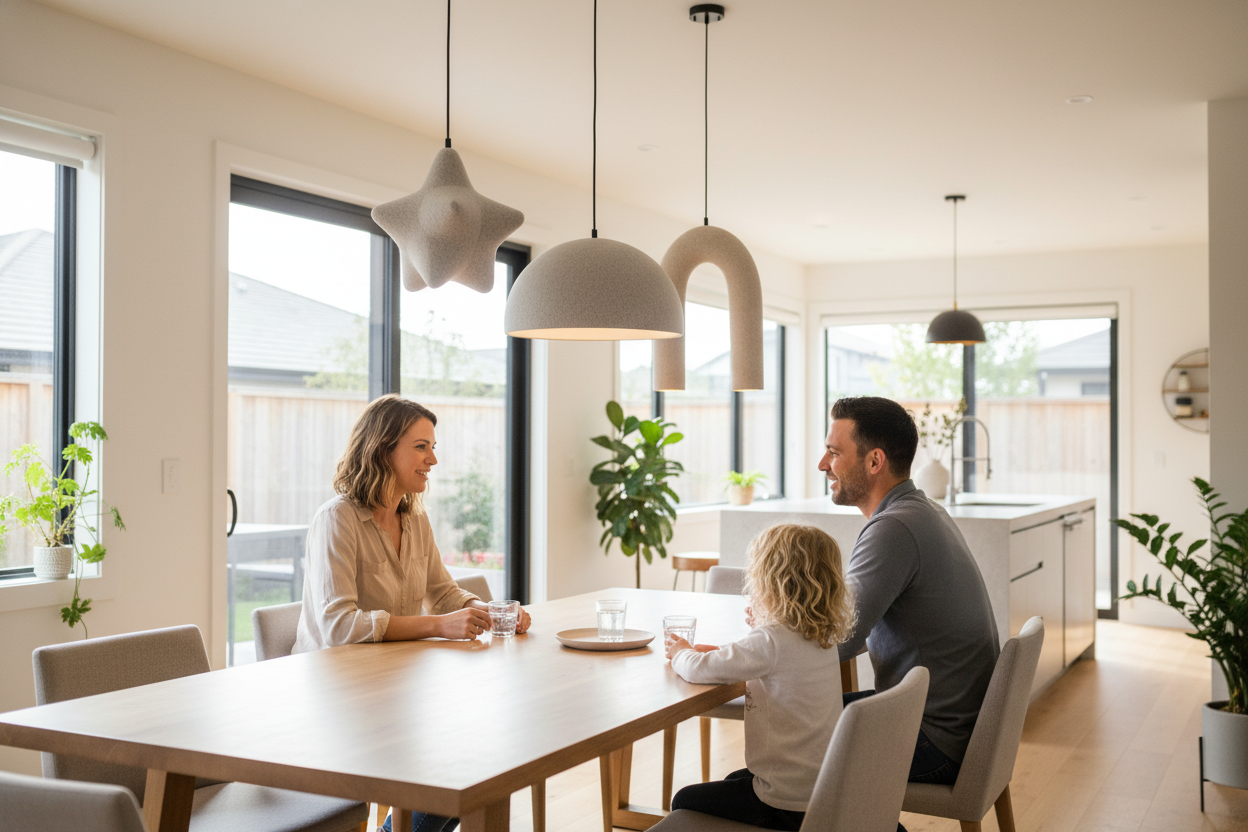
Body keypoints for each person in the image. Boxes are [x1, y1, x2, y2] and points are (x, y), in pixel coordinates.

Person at [293, 394, 530, 832]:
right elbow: (338, 626)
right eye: (422, 446)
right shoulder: (337, 520)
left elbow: (442, 593)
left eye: (433, 447)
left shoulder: (414, 518)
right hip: (334, 699)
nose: (433, 459)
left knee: (476, 761)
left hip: (394, 689)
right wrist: (441, 626)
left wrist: (489, 611)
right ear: (384, 448)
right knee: (461, 763)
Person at [821, 395, 999, 789]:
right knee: (795, 723)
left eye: (833, 453)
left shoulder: (893, 529)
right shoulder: (923, 510)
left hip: (930, 737)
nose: (823, 465)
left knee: (784, 738)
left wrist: (764, 643)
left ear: (874, 461)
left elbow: (840, 640)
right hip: (948, 725)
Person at [664, 524, 856, 831]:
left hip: (783, 802)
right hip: (819, 788)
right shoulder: (821, 636)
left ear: (770, 582)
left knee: (684, 801)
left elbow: (698, 669)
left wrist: (681, 652)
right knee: (732, 782)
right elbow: (768, 660)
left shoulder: (770, 642)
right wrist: (758, 629)